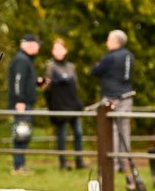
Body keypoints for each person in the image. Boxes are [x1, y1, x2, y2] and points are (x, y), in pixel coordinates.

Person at [91, 29, 134, 175]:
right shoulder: (129, 56)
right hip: (126, 97)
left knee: (112, 132)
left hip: (112, 98)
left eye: (108, 39)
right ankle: (125, 164)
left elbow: (95, 71)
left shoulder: (110, 57)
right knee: (124, 131)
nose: (106, 42)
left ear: (115, 42)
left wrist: (97, 64)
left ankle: (113, 164)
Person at [44, 38, 86, 170]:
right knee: (62, 135)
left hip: (72, 105)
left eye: (60, 49)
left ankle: (79, 161)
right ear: (52, 51)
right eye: (55, 49)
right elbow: (47, 87)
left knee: (78, 132)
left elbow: (76, 86)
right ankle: (63, 163)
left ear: (65, 50)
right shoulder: (51, 67)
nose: (58, 52)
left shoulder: (71, 67)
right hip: (59, 106)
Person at [8, 33, 43, 174]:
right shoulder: (22, 60)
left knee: (24, 134)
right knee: (21, 134)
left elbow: (24, 81)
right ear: (29, 44)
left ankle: (20, 165)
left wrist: (37, 82)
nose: (39, 47)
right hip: (22, 104)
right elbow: (17, 81)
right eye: (37, 44)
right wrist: (20, 100)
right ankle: (17, 166)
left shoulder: (25, 59)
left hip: (24, 103)